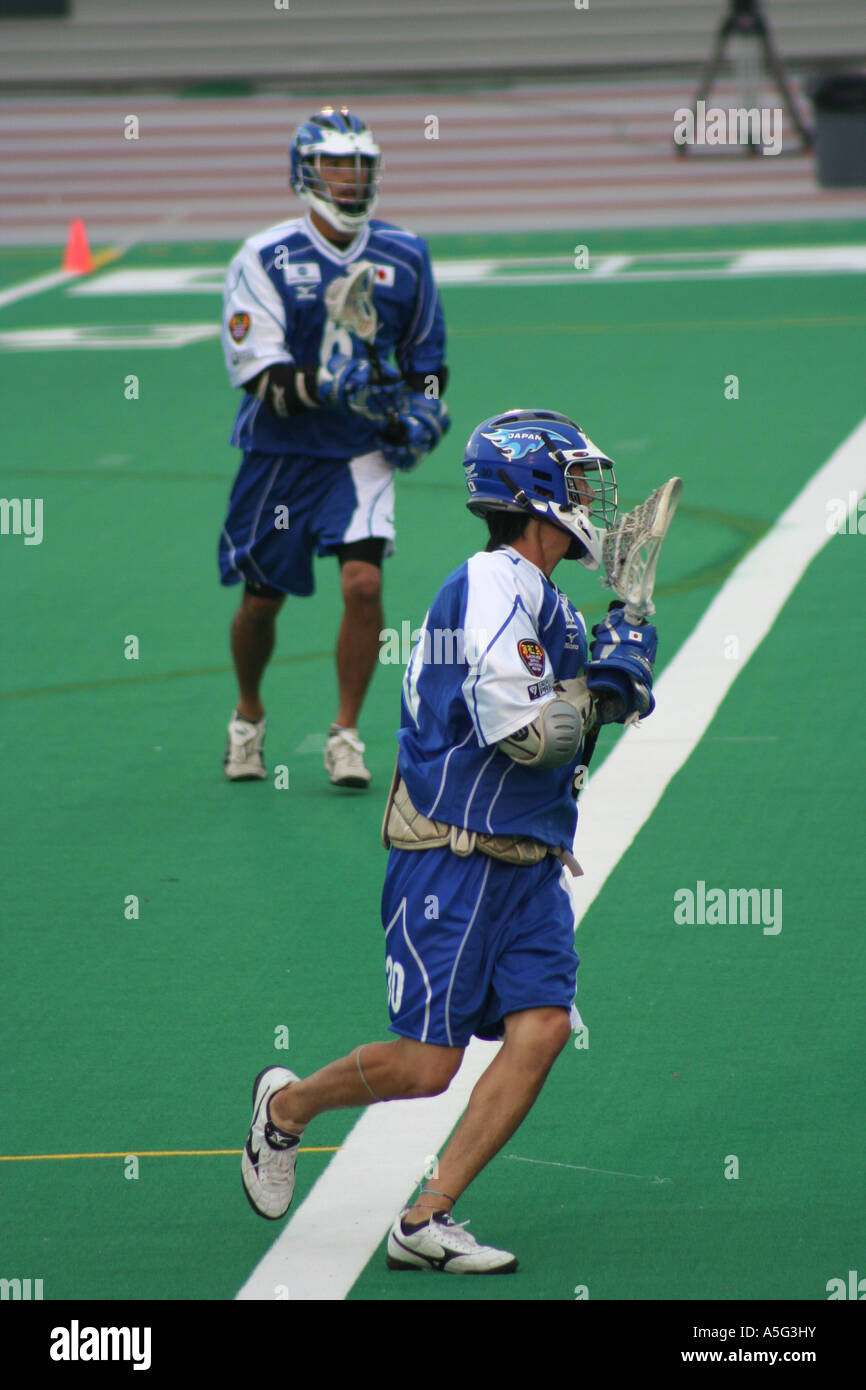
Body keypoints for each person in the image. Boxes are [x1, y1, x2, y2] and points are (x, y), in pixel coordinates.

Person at [240, 409, 659, 1273]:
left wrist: (622, 653)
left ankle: (425, 1219)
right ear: (532, 492)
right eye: (576, 481)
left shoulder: (548, 606)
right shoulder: (491, 586)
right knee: (429, 1065)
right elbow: (532, 738)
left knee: (540, 1031)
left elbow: (568, 753)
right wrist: (610, 684)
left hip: (528, 863)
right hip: (453, 856)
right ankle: (287, 1108)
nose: (590, 499)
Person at [219, 106, 449, 788]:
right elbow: (259, 376)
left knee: (365, 582)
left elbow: (426, 359)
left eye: (361, 165)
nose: (349, 179)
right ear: (304, 171)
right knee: (262, 602)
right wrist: (332, 383)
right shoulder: (263, 256)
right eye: (336, 165)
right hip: (281, 456)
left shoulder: (405, 254)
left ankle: (345, 734)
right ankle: (248, 716)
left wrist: (424, 412)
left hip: (360, 453)